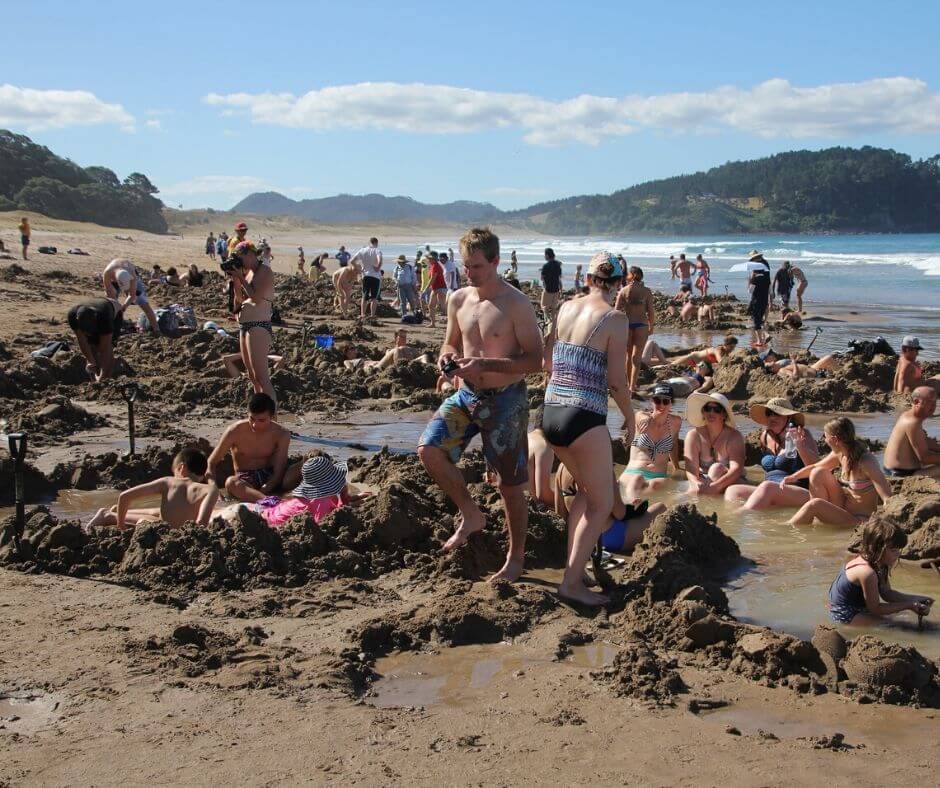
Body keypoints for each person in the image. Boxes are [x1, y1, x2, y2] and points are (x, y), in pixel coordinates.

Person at [417, 227, 543, 584]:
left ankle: (515, 557)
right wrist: (447, 362)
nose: (470, 274)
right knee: (429, 449)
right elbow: (449, 344)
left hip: (506, 400)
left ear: (496, 262)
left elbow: (535, 360)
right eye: (466, 266)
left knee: (509, 484)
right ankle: (471, 514)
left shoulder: (515, 303)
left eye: (477, 267)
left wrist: (485, 365)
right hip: (466, 393)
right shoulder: (457, 299)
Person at [541, 251, 634, 605]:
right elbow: (615, 381)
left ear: (590, 278)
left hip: (551, 412)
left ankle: (575, 572)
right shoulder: (615, 318)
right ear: (619, 284)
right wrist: (631, 415)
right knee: (602, 502)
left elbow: (547, 359)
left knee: (585, 494)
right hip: (583, 415)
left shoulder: (566, 307)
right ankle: (571, 584)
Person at [784, 417, 891, 526]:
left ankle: (786, 529)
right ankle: (818, 519)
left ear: (835, 440)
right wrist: (794, 477)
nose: (825, 441)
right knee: (817, 472)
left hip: (859, 520)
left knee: (814, 505)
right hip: (842, 510)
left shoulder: (867, 462)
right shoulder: (840, 454)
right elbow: (815, 466)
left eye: (825, 437)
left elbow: (887, 498)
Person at [828, 519, 932, 625]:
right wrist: (909, 605)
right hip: (844, 615)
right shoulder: (866, 572)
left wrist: (918, 599)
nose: (897, 555)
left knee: (905, 618)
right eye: (893, 550)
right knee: (898, 626)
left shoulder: (879, 563)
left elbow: (887, 593)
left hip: (859, 608)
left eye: (899, 550)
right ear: (876, 548)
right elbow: (876, 609)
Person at [87, 448, 219, 530]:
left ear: (181, 468)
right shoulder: (210, 490)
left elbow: (124, 496)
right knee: (155, 520)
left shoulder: (167, 482)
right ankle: (107, 516)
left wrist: (121, 526)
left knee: (157, 519)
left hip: (165, 529)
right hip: (171, 532)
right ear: (201, 476)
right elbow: (201, 522)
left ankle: (109, 515)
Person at [724, 398, 820, 509]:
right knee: (733, 490)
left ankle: (741, 513)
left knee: (767, 487)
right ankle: (735, 522)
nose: (772, 417)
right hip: (770, 489)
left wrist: (800, 446)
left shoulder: (801, 434)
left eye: (777, 414)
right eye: (769, 413)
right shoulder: (765, 436)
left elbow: (816, 468)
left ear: (789, 417)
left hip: (799, 491)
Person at [231, 454, 372, 528]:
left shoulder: (321, 496)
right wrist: (347, 510)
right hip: (261, 519)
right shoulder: (320, 501)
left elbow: (337, 500)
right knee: (220, 515)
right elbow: (320, 525)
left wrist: (345, 499)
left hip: (268, 509)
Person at [555, 462, 666, 556]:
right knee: (660, 507)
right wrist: (635, 508)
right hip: (609, 537)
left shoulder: (562, 467)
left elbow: (560, 511)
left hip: (579, 537)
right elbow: (619, 514)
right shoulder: (600, 464)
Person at [208, 393, 291, 502]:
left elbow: (279, 471)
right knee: (231, 482)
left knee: (306, 465)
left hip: (271, 478)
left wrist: (263, 490)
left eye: (261, 420)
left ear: (271, 417)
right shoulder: (234, 431)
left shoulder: (282, 433)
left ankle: (266, 500)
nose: (254, 425)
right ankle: (272, 502)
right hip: (245, 481)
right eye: (251, 418)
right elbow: (211, 462)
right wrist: (214, 491)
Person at [229, 241, 277, 407]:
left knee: (262, 377)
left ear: (250, 254)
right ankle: (261, 415)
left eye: (239, 257)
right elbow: (240, 300)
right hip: (245, 325)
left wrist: (241, 278)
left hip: (258, 325)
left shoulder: (264, 270)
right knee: (252, 377)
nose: (238, 261)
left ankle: (273, 421)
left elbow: (256, 299)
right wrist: (236, 279)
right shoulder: (247, 273)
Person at [620, 383, 681, 499]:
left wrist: (676, 467)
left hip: (658, 475)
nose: (661, 405)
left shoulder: (676, 422)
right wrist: (646, 421)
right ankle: (630, 506)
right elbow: (639, 418)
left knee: (656, 484)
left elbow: (674, 444)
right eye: (658, 401)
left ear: (671, 403)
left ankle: (631, 504)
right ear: (652, 402)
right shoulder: (641, 416)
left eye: (666, 401)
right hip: (633, 472)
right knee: (636, 480)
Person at [683, 392, 745, 495]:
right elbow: (691, 469)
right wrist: (696, 484)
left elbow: (736, 469)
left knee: (717, 468)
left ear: (724, 414)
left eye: (717, 410)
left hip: (730, 482)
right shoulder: (693, 435)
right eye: (708, 409)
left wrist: (714, 487)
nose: (711, 412)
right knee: (692, 491)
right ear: (703, 412)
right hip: (703, 480)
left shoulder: (734, 437)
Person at [67, 295, 130, 381]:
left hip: (114, 311)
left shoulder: (104, 318)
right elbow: (82, 341)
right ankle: (97, 374)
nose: (88, 333)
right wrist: (90, 361)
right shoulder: (72, 316)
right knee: (93, 346)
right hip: (97, 306)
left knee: (104, 347)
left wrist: (102, 379)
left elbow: (105, 348)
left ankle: (107, 375)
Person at [883, 387, 940, 478]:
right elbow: (925, 458)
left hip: (892, 470)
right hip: (902, 475)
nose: (933, 406)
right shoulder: (913, 423)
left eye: (935, 402)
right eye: (930, 402)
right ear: (916, 402)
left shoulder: (907, 415)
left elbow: (923, 441)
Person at [614, 265, 655, 392]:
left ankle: (626, 384)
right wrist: (651, 326)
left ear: (631, 275)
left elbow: (616, 311)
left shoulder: (623, 291)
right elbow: (651, 311)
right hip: (641, 325)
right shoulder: (646, 291)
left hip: (628, 325)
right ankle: (632, 386)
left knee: (628, 355)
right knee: (636, 358)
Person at [102, 258, 160, 334]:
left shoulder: (132, 275)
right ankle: (112, 326)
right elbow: (110, 293)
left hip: (130, 275)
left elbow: (132, 295)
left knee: (143, 301)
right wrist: (116, 306)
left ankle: (157, 330)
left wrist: (124, 306)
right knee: (111, 302)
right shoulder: (107, 273)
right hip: (113, 279)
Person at [526, 405, 556, 508]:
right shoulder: (543, 446)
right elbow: (542, 495)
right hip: (531, 507)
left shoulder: (524, 438)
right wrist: (566, 503)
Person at [351, 237, 383, 320]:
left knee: (364, 295)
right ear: (376, 243)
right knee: (374, 297)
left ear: (369, 242)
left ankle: (362, 314)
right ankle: (372, 315)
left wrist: (359, 269)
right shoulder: (377, 250)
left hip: (365, 275)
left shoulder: (363, 250)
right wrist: (378, 268)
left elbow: (352, 261)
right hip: (375, 276)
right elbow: (379, 261)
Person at [661, 336, 738, 368]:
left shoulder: (726, 352)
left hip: (696, 363)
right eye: (731, 347)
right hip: (692, 358)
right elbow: (721, 361)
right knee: (670, 365)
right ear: (726, 345)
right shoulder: (719, 350)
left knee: (669, 361)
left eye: (734, 347)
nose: (732, 349)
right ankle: (650, 366)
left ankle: (651, 362)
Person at [759, 347, 838, 378]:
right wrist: (794, 361)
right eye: (769, 355)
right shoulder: (781, 370)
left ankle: (841, 372)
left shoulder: (780, 366)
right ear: (772, 369)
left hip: (813, 370)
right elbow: (795, 377)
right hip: (815, 373)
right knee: (829, 358)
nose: (773, 360)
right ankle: (842, 372)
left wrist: (795, 360)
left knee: (830, 361)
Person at [747, 251, 771, 346]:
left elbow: (750, 291)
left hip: (756, 301)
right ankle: (765, 335)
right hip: (764, 299)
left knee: (756, 321)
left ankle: (759, 341)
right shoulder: (766, 277)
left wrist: (750, 281)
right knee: (760, 319)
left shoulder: (755, 279)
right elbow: (769, 288)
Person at [540, 248, 563, 329]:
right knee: (554, 307)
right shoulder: (558, 264)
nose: (544, 256)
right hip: (556, 289)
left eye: (545, 255)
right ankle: (553, 323)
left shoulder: (545, 266)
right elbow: (559, 277)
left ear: (547, 255)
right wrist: (561, 288)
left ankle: (548, 320)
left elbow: (542, 278)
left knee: (544, 306)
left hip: (548, 289)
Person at [427, 252, 448, 328]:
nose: (428, 260)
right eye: (428, 258)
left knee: (443, 307)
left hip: (440, 288)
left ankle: (453, 322)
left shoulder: (435, 266)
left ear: (433, 259)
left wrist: (426, 288)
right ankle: (433, 323)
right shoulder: (433, 265)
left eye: (429, 259)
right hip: (436, 288)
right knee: (432, 305)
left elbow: (433, 278)